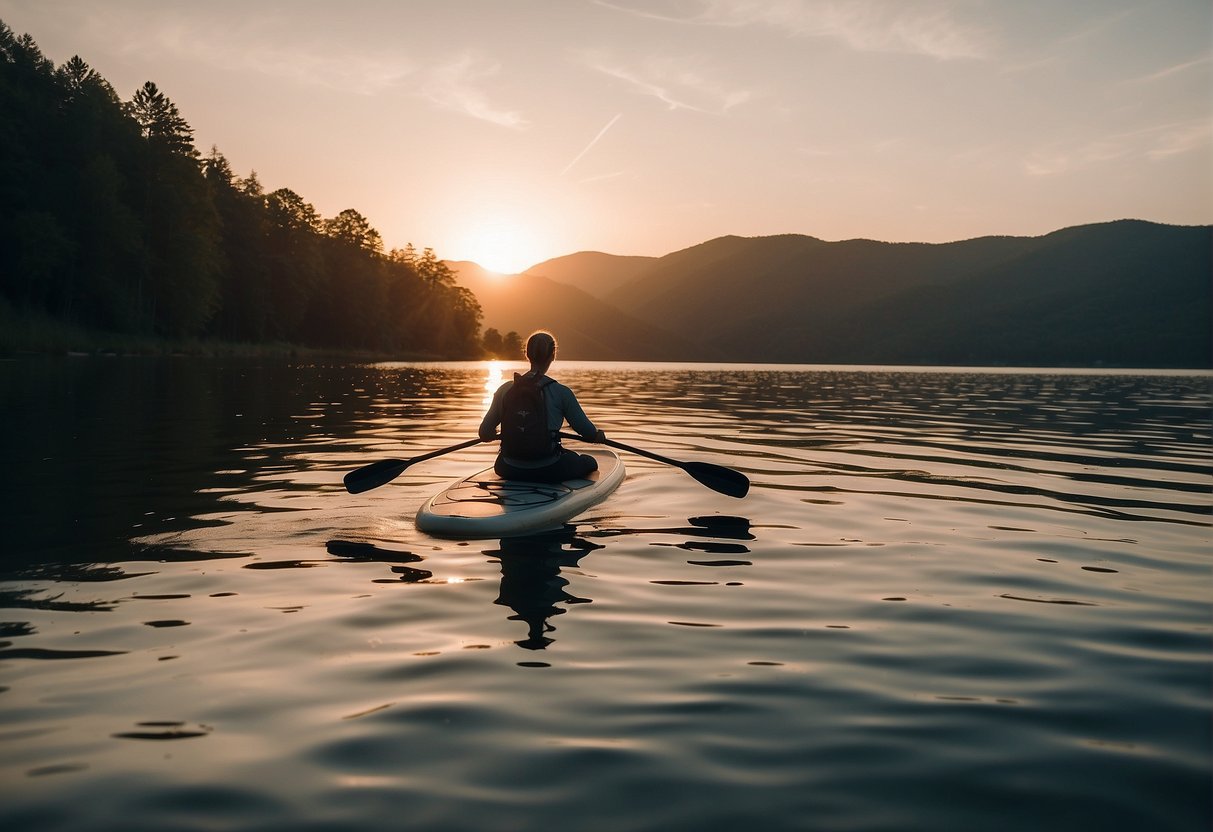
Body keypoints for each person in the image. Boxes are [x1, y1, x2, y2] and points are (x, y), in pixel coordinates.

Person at [479, 330, 605, 482]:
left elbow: (484, 433)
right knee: (589, 462)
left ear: (527, 354)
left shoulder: (505, 390)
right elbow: (588, 432)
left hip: (507, 468)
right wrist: (598, 435)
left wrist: (501, 432)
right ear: (553, 354)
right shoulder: (561, 392)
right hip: (550, 469)